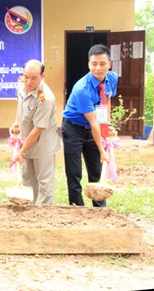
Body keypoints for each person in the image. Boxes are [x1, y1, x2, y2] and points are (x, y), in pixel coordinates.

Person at [62, 44, 118, 207]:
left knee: (96, 170)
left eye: (102, 63)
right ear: (88, 64)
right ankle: (77, 208)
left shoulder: (112, 78)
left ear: (109, 64)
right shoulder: (82, 89)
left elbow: (106, 100)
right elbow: (93, 123)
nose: (98, 68)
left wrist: (106, 125)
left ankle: (99, 208)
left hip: (94, 127)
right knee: (74, 172)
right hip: (74, 129)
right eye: (94, 64)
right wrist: (102, 150)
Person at [10, 60, 60, 205]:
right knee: (28, 179)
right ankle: (29, 212)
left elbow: (38, 129)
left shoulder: (46, 98)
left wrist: (21, 151)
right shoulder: (22, 85)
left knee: (44, 182)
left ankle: (44, 214)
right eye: (26, 76)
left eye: (33, 78)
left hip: (43, 145)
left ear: (42, 76)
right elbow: (20, 102)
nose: (28, 81)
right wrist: (17, 122)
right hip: (27, 142)